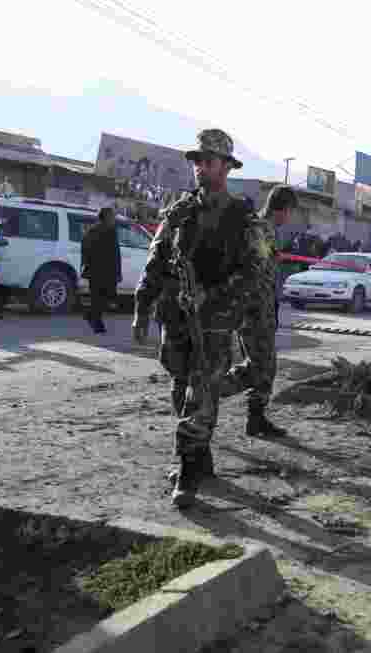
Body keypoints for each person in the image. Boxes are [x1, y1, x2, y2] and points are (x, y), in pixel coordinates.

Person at [132, 128, 271, 509]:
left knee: (202, 390)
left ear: (226, 167)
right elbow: (156, 259)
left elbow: (255, 272)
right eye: (197, 161)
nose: (200, 168)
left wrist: (215, 295)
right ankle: (202, 456)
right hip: (176, 316)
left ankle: (189, 468)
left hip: (215, 319)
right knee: (180, 386)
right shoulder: (180, 212)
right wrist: (142, 307)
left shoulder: (243, 218)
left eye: (208, 161)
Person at [216, 184, 298, 440]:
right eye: (290, 212)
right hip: (253, 311)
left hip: (262, 308)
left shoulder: (265, 231)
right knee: (261, 367)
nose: (290, 218)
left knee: (265, 366)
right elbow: (251, 273)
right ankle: (210, 389)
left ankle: (255, 418)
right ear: (283, 209)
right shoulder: (259, 230)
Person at [81, 207, 122, 334]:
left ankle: (93, 319)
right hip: (106, 271)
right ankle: (95, 320)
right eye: (112, 216)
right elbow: (114, 254)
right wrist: (117, 272)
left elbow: (85, 251)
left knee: (97, 298)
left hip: (94, 270)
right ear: (107, 217)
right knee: (103, 298)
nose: (114, 219)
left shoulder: (91, 230)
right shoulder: (110, 231)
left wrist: (86, 266)